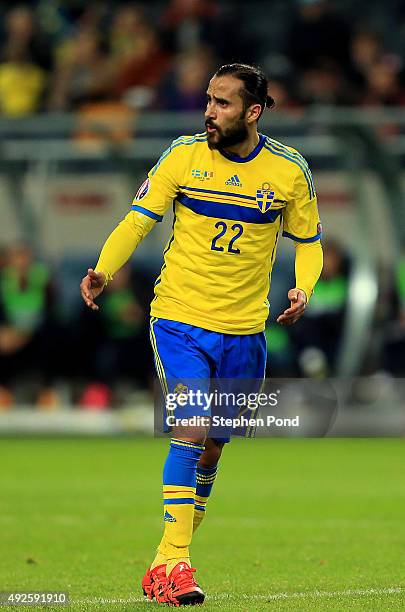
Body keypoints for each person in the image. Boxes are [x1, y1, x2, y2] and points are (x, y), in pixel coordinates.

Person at [80, 63, 323, 606]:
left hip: (244, 331)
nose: (209, 112)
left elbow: (308, 239)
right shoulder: (183, 156)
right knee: (189, 428)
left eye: (223, 104)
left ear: (253, 112)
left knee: (212, 448)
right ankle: (181, 566)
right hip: (180, 320)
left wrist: (305, 287)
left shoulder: (289, 172)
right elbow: (137, 220)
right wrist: (104, 269)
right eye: (208, 101)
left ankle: (163, 563)